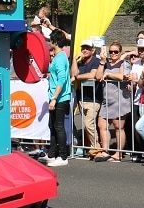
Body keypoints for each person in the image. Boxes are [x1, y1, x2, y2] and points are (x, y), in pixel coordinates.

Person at [94, 40, 132, 162]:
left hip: (119, 100)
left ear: (120, 52)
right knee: (102, 125)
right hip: (107, 100)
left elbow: (123, 76)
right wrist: (102, 62)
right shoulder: (106, 64)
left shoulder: (124, 63)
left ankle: (118, 153)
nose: (113, 54)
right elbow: (98, 76)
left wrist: (109, 75)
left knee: (118, 127)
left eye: (116, 52)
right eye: (111, 52)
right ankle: (105, 151)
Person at [39, 29, 71, 167]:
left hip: (60, 98)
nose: (48, 43)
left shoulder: (60, 58)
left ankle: (63, 156)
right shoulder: (59, 57)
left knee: (58, 126)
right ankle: (52, 154)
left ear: (55, 42)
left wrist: (54, 98)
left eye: (50, 40)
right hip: (57, 97)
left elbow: (62, 80)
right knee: (52, 126)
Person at [71, 39, 102, 160]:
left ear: (93, 50)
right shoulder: (80, 62)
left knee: (89, 124)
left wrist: (77, 77)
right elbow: (73, 73)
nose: (84, 50)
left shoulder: (96, 61)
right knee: (86, 125)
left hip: (94, 98)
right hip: (81, 98)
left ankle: (97, 148)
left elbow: (92, 75)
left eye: (87, 48)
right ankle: (90, 147)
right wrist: (74, 59)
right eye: (83, 48)